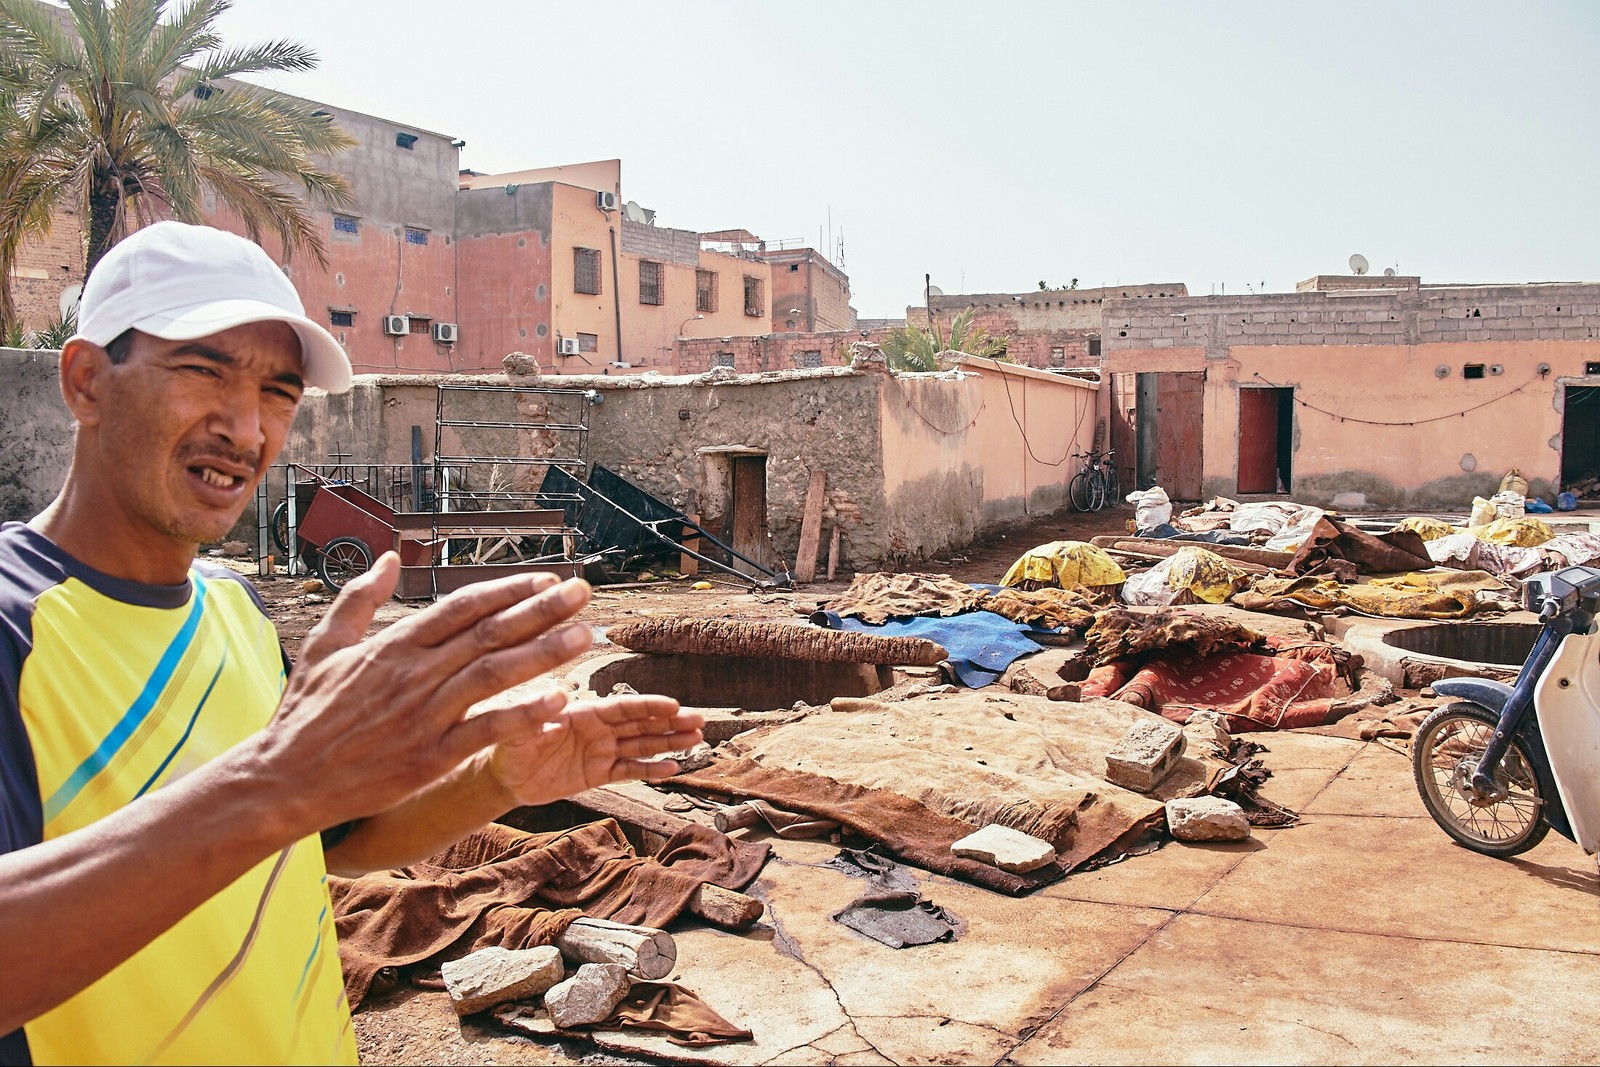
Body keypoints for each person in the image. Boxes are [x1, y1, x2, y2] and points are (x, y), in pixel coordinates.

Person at [0, 221, 703, 1065]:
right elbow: (274, 799)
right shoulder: (15, 627)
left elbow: (327, 839)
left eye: (278, 394)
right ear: (85, 382)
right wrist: (276, 782)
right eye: (202, 372)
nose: (246, 428)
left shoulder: (236, 611)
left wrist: (500, 779)